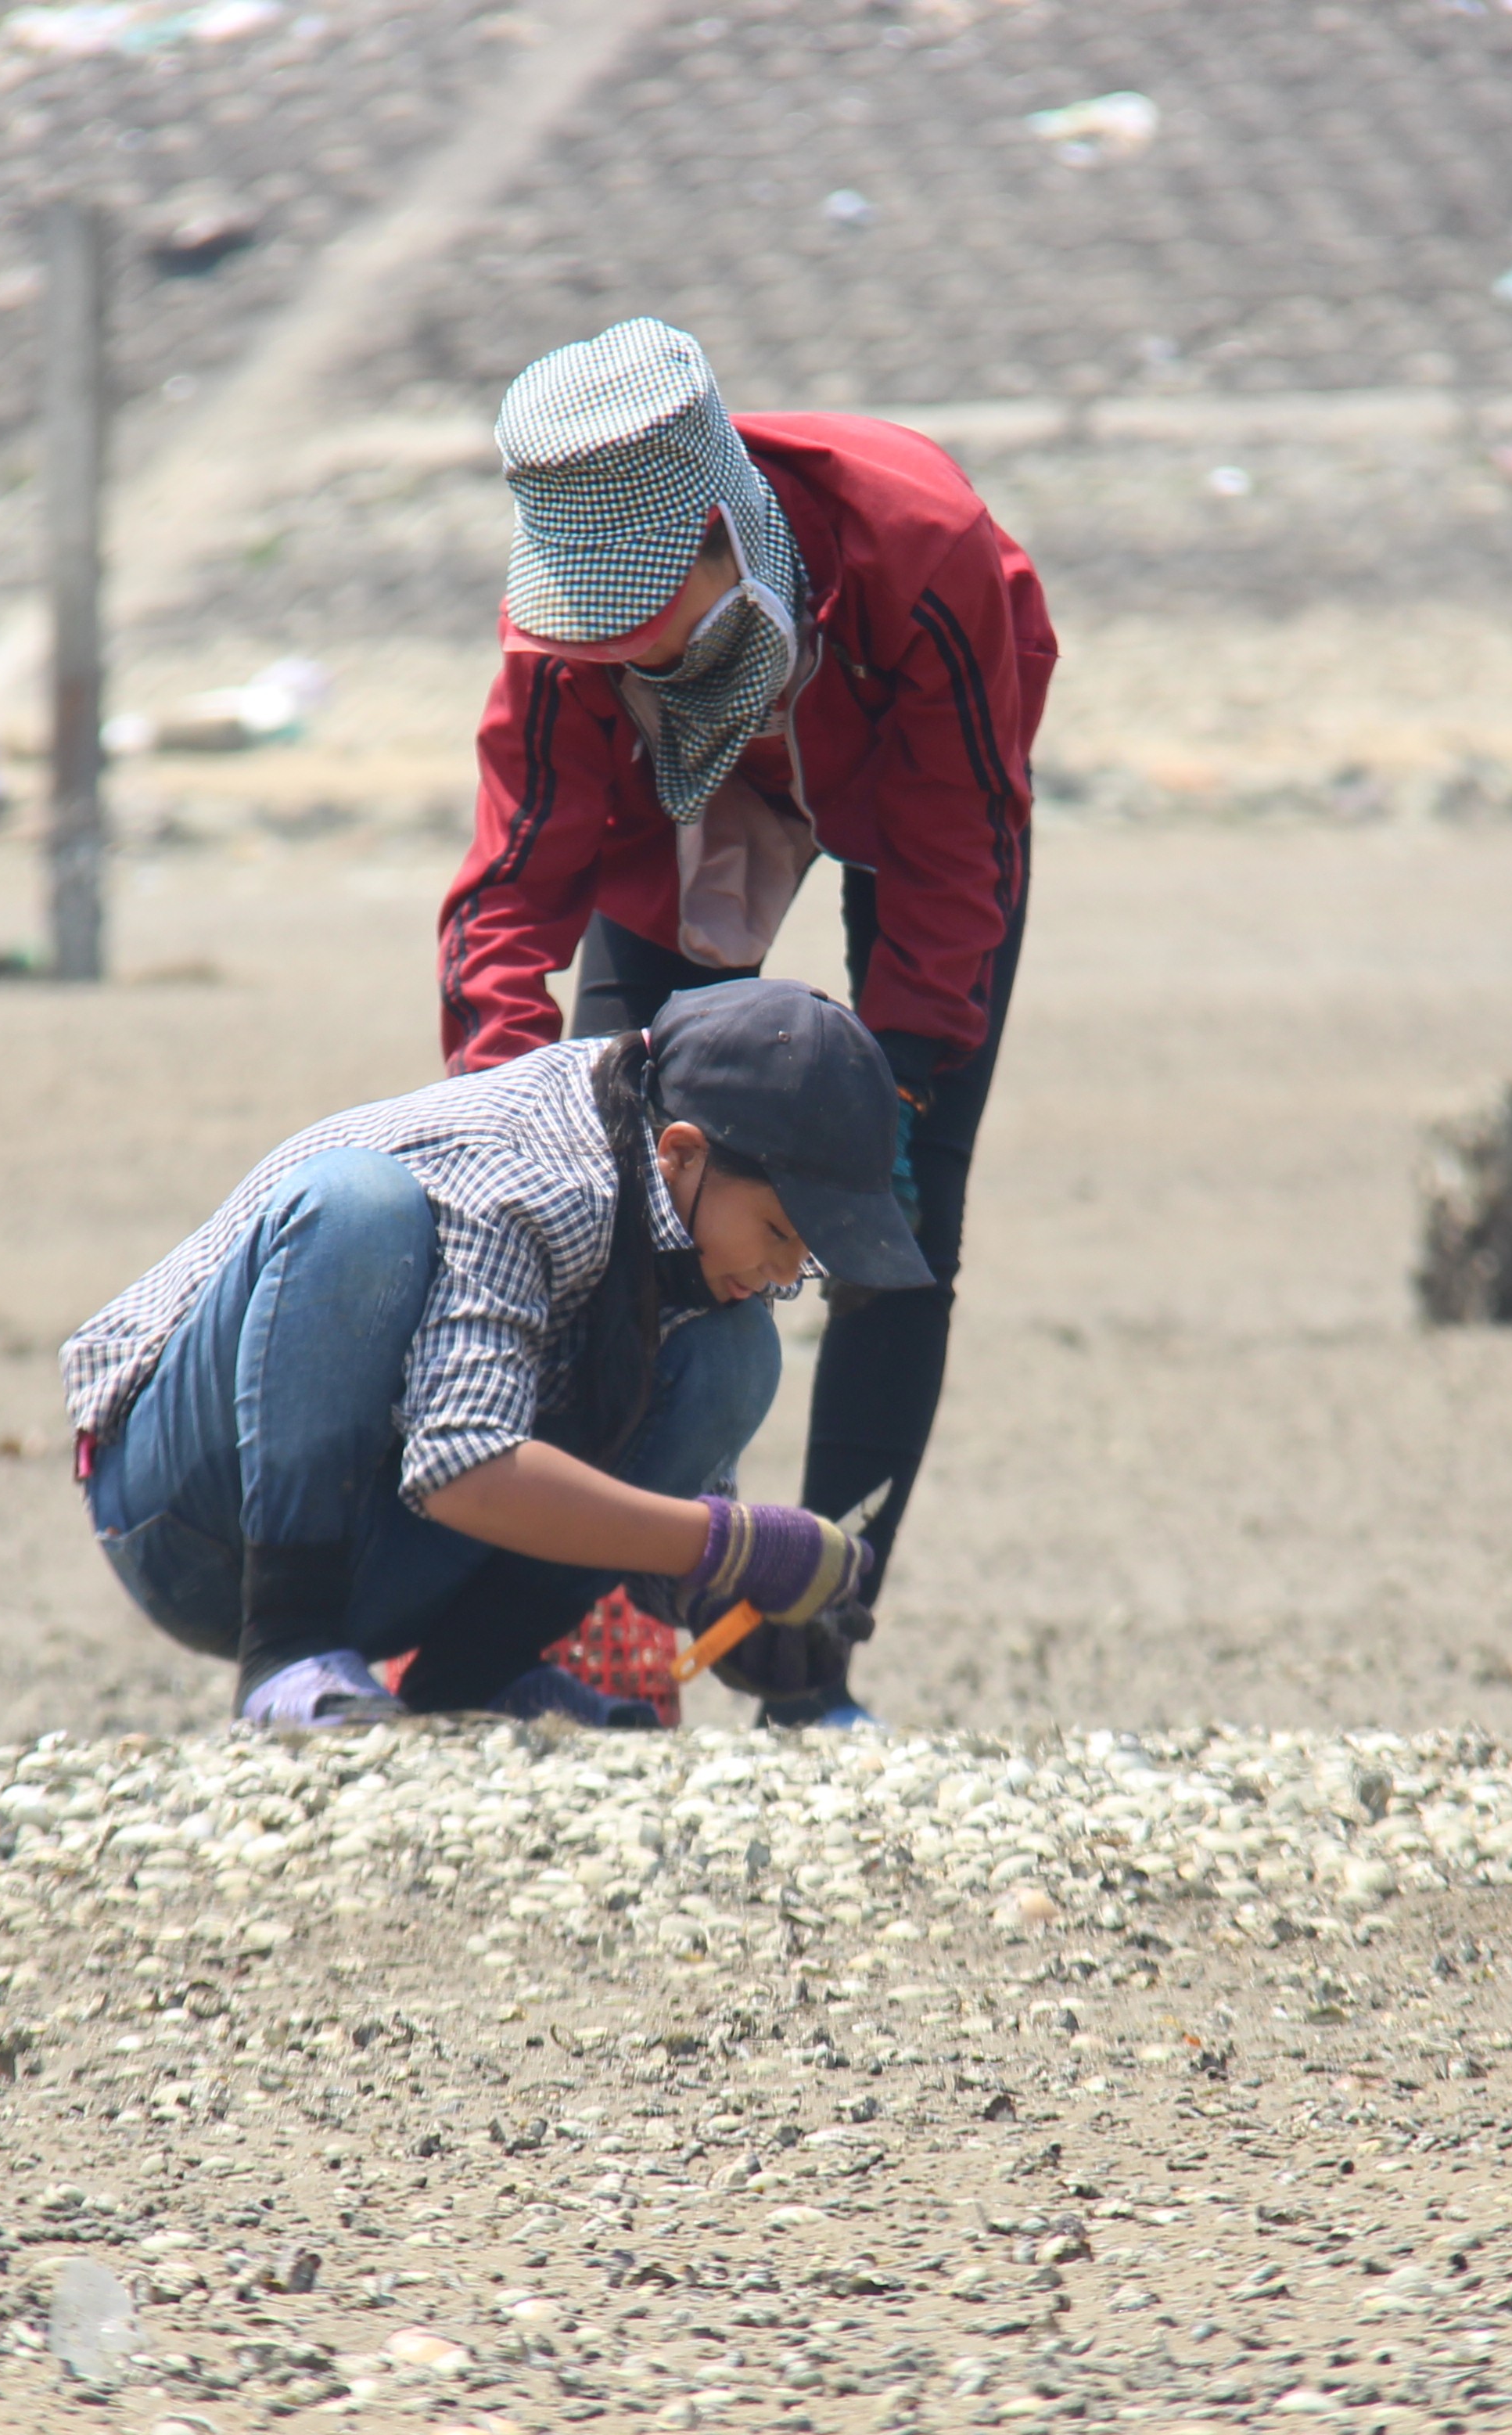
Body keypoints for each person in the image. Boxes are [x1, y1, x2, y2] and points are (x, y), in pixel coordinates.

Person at [435, 318, 1054, 1731]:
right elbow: (510, 885)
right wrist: (508, 1123)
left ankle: (805, 1637)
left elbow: (961, 850)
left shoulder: (919, 547)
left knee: (894, 1223)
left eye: (631, 622)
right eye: (585, 635)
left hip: (910, 792)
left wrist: (886, 1099)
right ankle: (602, 1624)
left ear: (721, 538)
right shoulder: (574, 646)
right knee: (599, 1213)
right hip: (679, 809)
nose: (601, 648)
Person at [59, 979, 929, 1730]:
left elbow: (648, 1519)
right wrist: (727, 1542)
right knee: (361, 1207)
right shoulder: (534, 1172)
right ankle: (287, 1646)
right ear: (684, 1153)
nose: (785, 1272)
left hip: (387, 1554)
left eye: (808, 1256)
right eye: (781, 1232)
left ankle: (470, 1679)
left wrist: (731, 1604)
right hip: (188, 1518)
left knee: (739, 1350)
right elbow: (464, 1470)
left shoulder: (672, 1196)